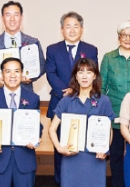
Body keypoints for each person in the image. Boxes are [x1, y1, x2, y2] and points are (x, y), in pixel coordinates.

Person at [45, 11, 98, 184]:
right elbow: (51, 73)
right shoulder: (52, 49)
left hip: (84, 105)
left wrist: (76, 90)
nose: (72, 30)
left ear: (82, 29)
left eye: (76, 26)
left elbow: (92, 73)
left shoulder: (91, 49)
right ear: (62, 29)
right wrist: (65, 90)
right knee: (61, 149)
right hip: (60, 101)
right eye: (68, 26)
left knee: (82, 148)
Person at [48, 58, 114, 187]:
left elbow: (109, 130)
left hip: (95, 158)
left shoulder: (104, 100)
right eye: (80, 72)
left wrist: (105, 148)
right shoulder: (66, 100)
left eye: (89, 72)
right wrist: (60, 148)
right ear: (76, 76)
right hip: (71, 157)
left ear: (94, 76)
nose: (84, 76)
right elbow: (52, 129)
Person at [101, 20, 130, 186]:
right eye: (124, 35)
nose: (128, 38)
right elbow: (101, 86)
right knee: (115, 156)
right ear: (119, 37)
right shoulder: (108, 57)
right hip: (114, 114)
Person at [0, 57, 40, 186]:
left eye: (17, 71)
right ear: (2, 74)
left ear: (22, 74)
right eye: (8, 71)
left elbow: (37, 125)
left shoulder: (33, 98)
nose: (12, 75)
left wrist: (37, 137)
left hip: (25, 159)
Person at [0, 1, 45, 91]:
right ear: (2, 18)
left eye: (16, 15)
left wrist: (31, 76)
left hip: (25, 92)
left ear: (21, 18)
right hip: (0, 94)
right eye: (8, 15)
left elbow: (42, 65)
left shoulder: (33, 42)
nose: (12, 19)